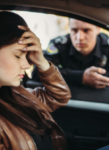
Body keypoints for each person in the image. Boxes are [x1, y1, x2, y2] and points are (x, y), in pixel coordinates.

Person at [0, 11, 71, 150]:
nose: (27, 65)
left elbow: (59, 97)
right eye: (18, 55)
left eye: (27, 56)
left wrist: (42, 62)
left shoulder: (15, 95)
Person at [32, 19, 109, 89]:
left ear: (98, 29)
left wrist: (94, 78)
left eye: (86, 30)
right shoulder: (59, 44)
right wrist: (81, 77)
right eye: (74, 30)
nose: (80, 37)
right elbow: (38, 72)